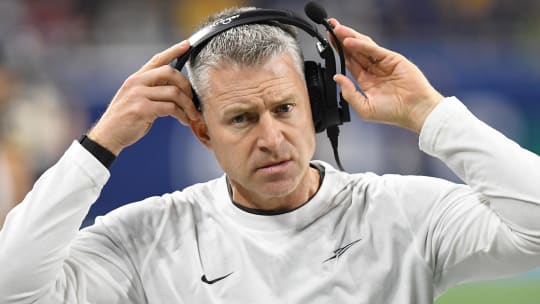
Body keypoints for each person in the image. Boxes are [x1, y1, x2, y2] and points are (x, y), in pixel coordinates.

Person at [1, 6, 540, 304]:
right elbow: (13, 288)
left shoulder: (400, 213)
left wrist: (430, 113)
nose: (271, 138)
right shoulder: (150, 238)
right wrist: (100, 145)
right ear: (201, 130)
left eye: (284, 109)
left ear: (319, 109)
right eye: (240, 119)